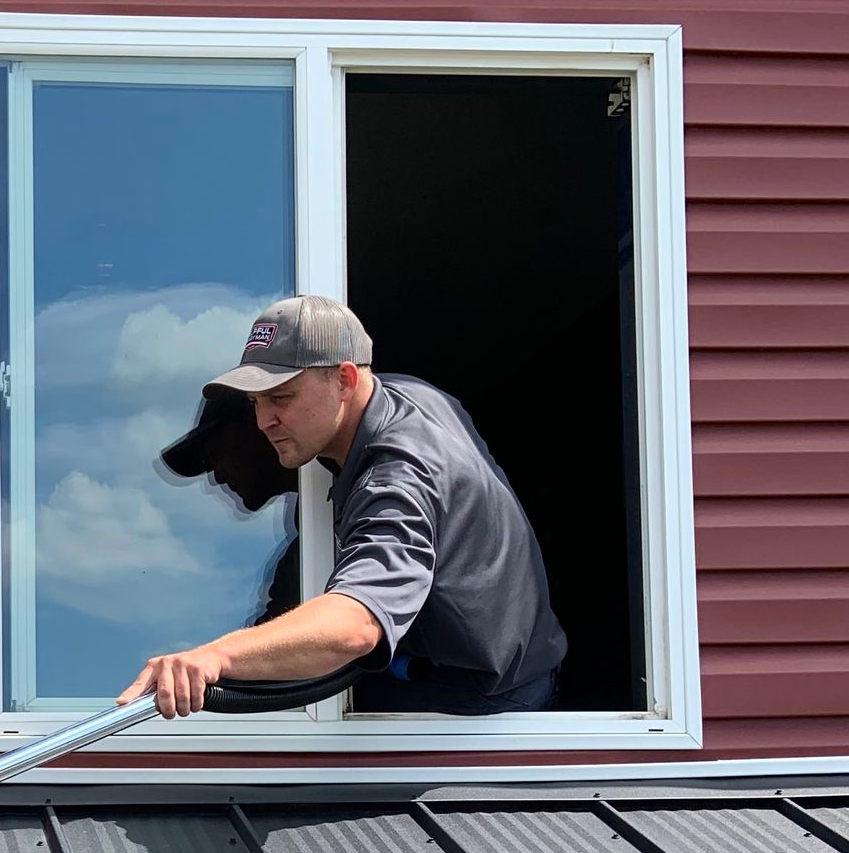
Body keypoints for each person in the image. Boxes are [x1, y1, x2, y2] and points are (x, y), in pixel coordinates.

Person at [124, 295, 566, 720]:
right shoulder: (411, 396)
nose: (263, 422)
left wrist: (213, 657)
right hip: (504, 665)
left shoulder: (397, 477)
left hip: (478, 703)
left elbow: (356, 625)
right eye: (257, 403)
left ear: (345, 380)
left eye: (281, 398)